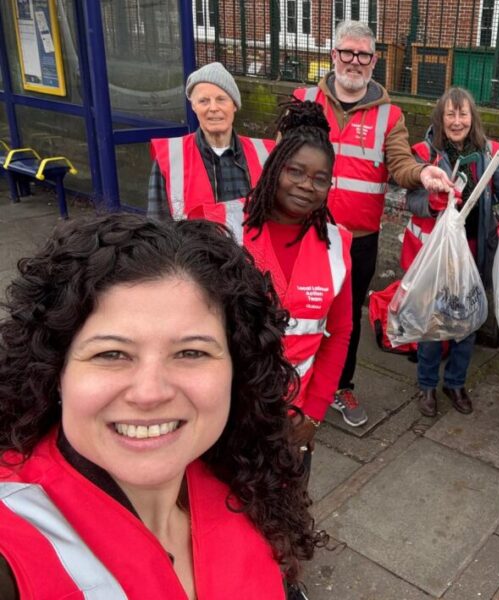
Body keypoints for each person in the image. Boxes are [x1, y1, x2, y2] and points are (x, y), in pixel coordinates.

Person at [0, 214, 323, 598]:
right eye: (111, 354)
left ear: (237, 371)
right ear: (56, 372)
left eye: (191, 352)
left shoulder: (243, 475)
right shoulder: (13, 534)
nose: (150, 393)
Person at [292, 20, 454, 427]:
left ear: (374, 60)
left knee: (346, 320)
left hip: (357, 240)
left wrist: (423, 173)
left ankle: (340, 386)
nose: (354, 61)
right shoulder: (305, 100)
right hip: (304, 232)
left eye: (363, 55)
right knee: (297, 312)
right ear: (334, 55)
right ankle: (293, 385)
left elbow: (400, 164)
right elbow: (281, 160)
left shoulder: (389, 115)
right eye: (347, 52)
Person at [401, 87, 499, 417]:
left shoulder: (489, 153)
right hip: (436, 255)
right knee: (431, 323)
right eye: (450, 114)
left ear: (473, 117)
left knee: (466, 321)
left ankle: (455, 383)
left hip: (473, 250)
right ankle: (427, 385)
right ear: (440, 118)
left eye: (463, 114)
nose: (457, 121)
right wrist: (432, 202)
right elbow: (411, 199)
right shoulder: (424, 153)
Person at [242, 98, 353, 458]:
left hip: (295, 419)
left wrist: (315, 414)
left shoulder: (336, 244)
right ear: (275, 168)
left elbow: (340, 332)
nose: (307, 185)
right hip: (230, 416)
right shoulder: (226, 230)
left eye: (320, 179)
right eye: (296, 172)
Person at [148, 62, 274, 222]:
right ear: (193, 107)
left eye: (221, 99)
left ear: (235, 105)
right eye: (204, 101)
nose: (213, 108)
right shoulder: (169, 157)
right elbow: (157, 225)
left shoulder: (266, 153)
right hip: (191, 240)